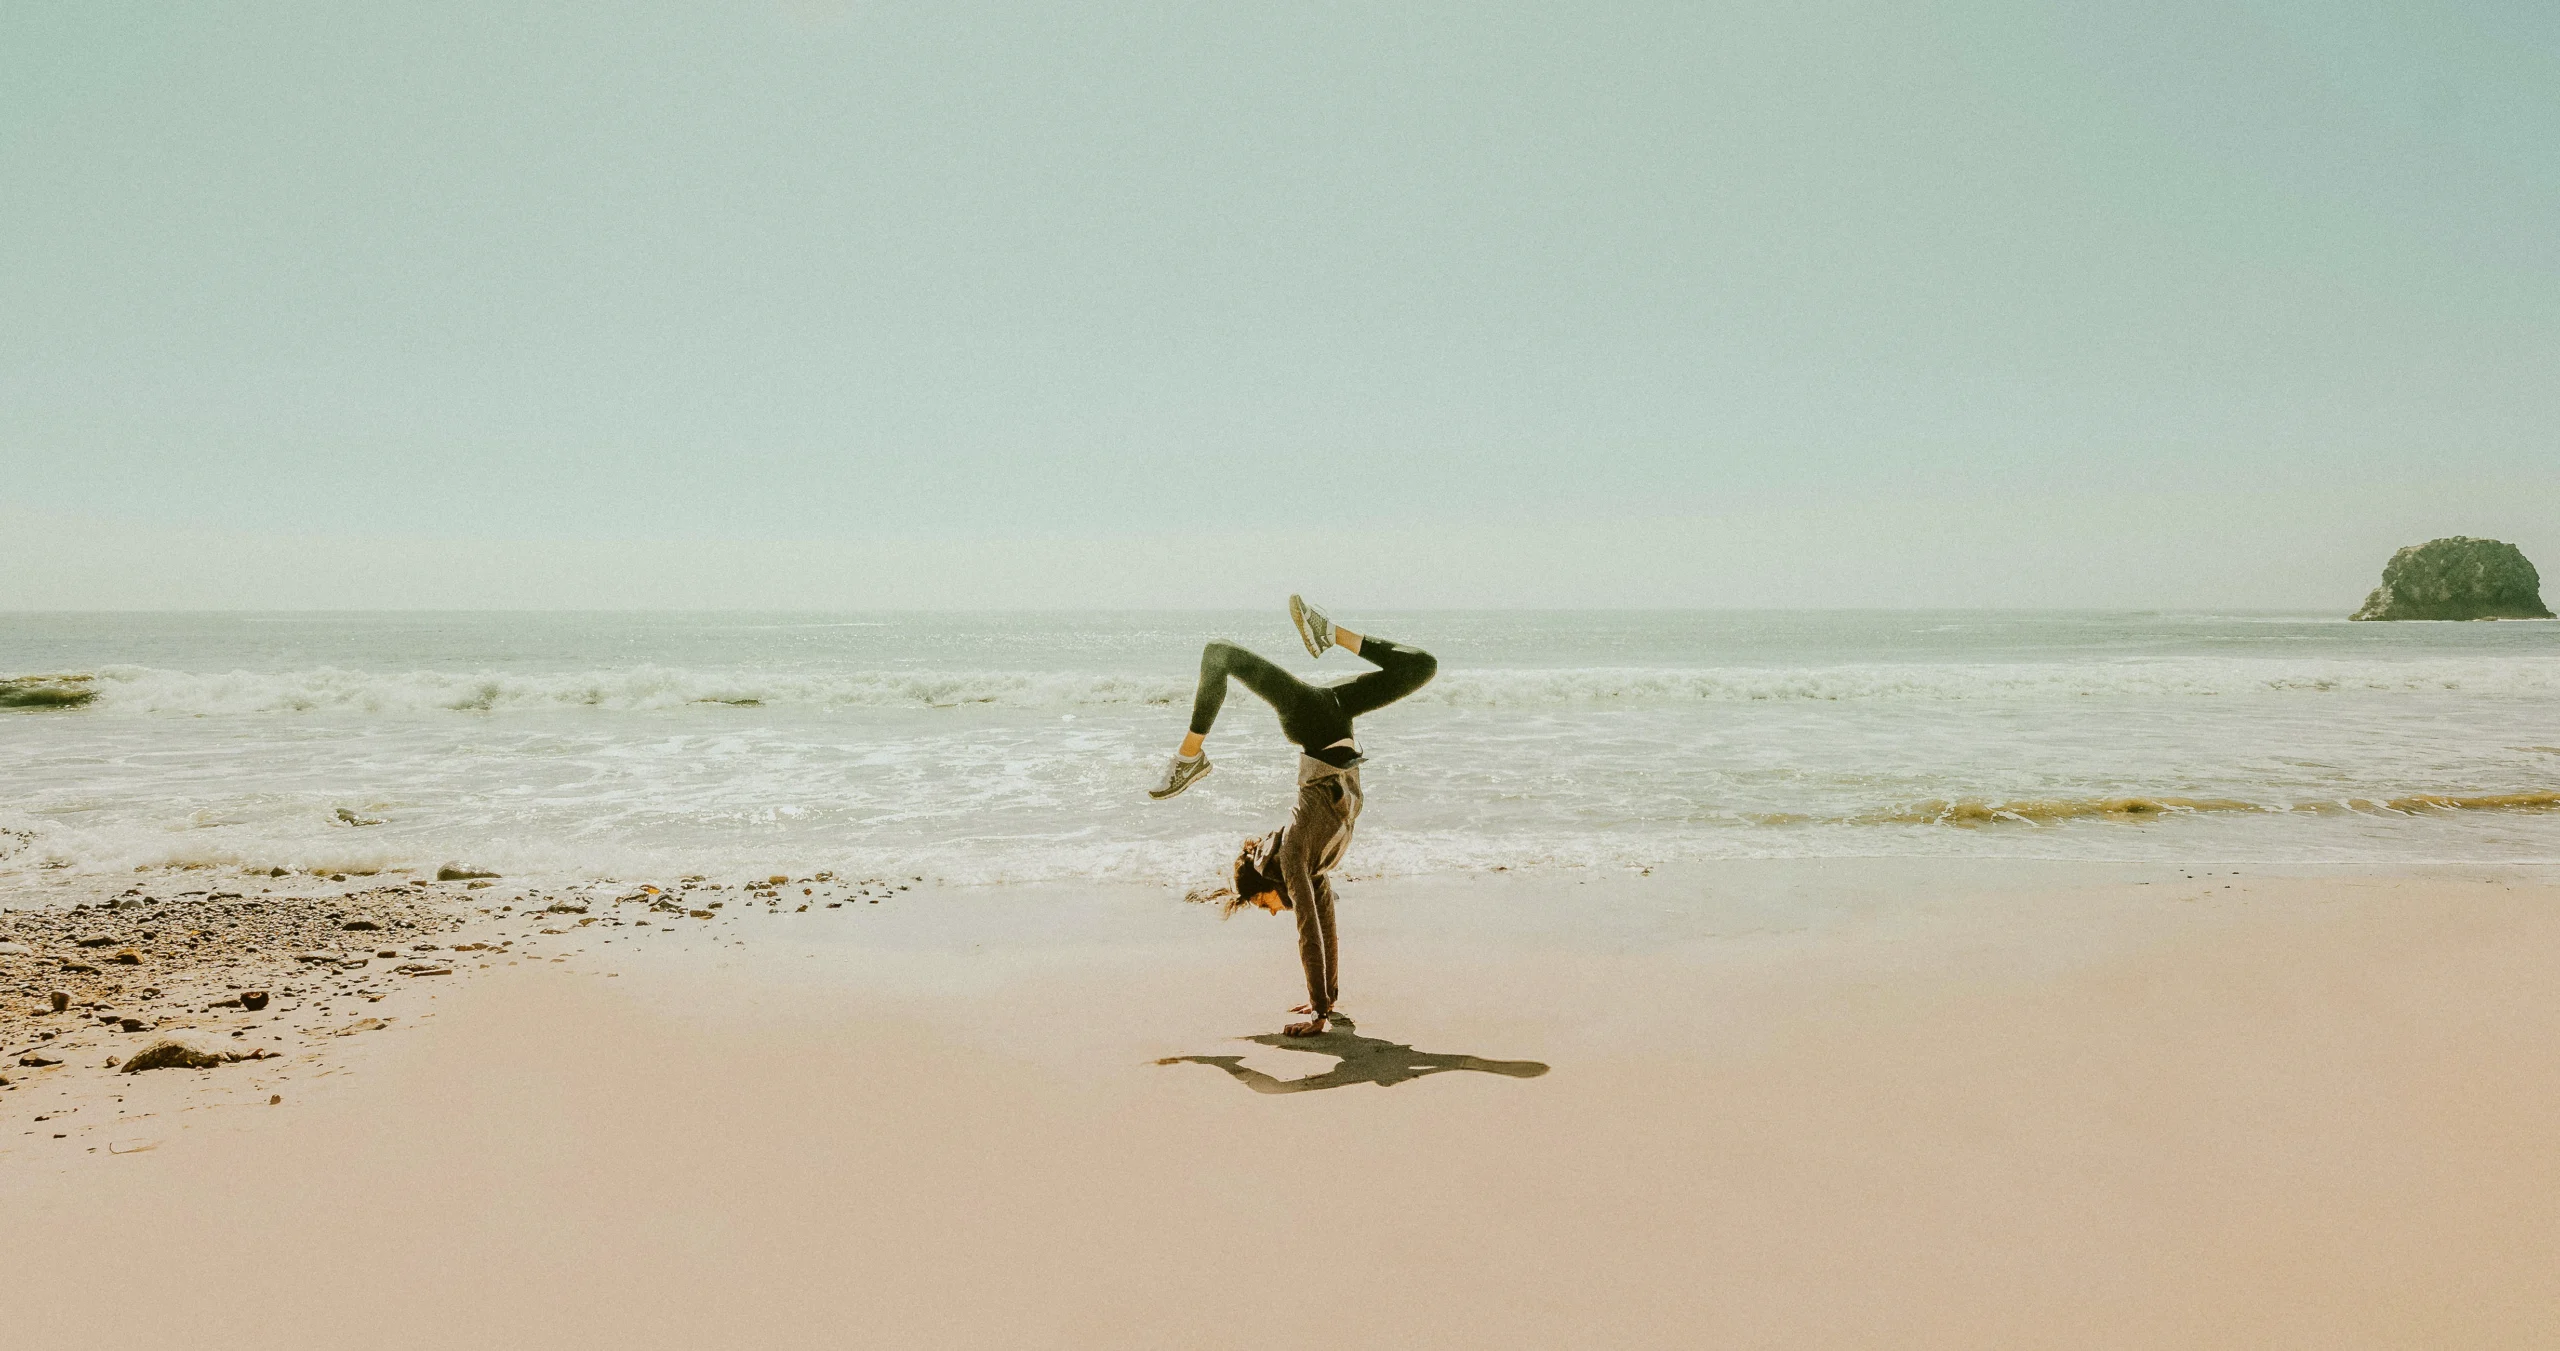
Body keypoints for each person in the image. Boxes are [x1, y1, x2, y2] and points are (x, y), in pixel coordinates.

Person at [1148, 596, 1436, 1036]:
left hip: (1315, 724)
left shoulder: (1293, 858)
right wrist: (1327, 1001)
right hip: (1333, 723)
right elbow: (1326, 929)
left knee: (1219, 653)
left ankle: (1189, 757)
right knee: (1421, 667)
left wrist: (1321, 1018)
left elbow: (1307, 933)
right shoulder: (1313, 865)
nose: (1269, 911)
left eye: (1261, 903)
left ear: (1268, 881)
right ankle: (1331, 634)